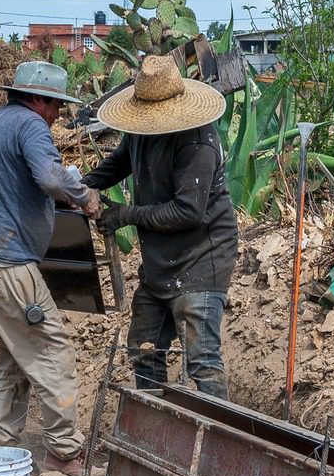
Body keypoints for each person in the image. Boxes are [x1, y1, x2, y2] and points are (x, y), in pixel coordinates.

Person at [0, 60, 101, 476]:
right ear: (37, 98)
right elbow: (50, 177)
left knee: (16, 352)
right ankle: (63, 454)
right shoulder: (31, 126)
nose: (57, 114)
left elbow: (22, 183)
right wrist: (84, 196)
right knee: (52, 351)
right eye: (54, 104)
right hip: (5, 265)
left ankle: (1, 446)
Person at [84, 54, 237, 398]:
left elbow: (187, 212)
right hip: (160, 261)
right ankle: (159, 426)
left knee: (202, 360)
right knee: (143, 348)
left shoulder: (197, 143)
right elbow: (121, 161)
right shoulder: (143, 131)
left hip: (202, 258)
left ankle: (217, 437)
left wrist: (125, 215)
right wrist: (83, 186)